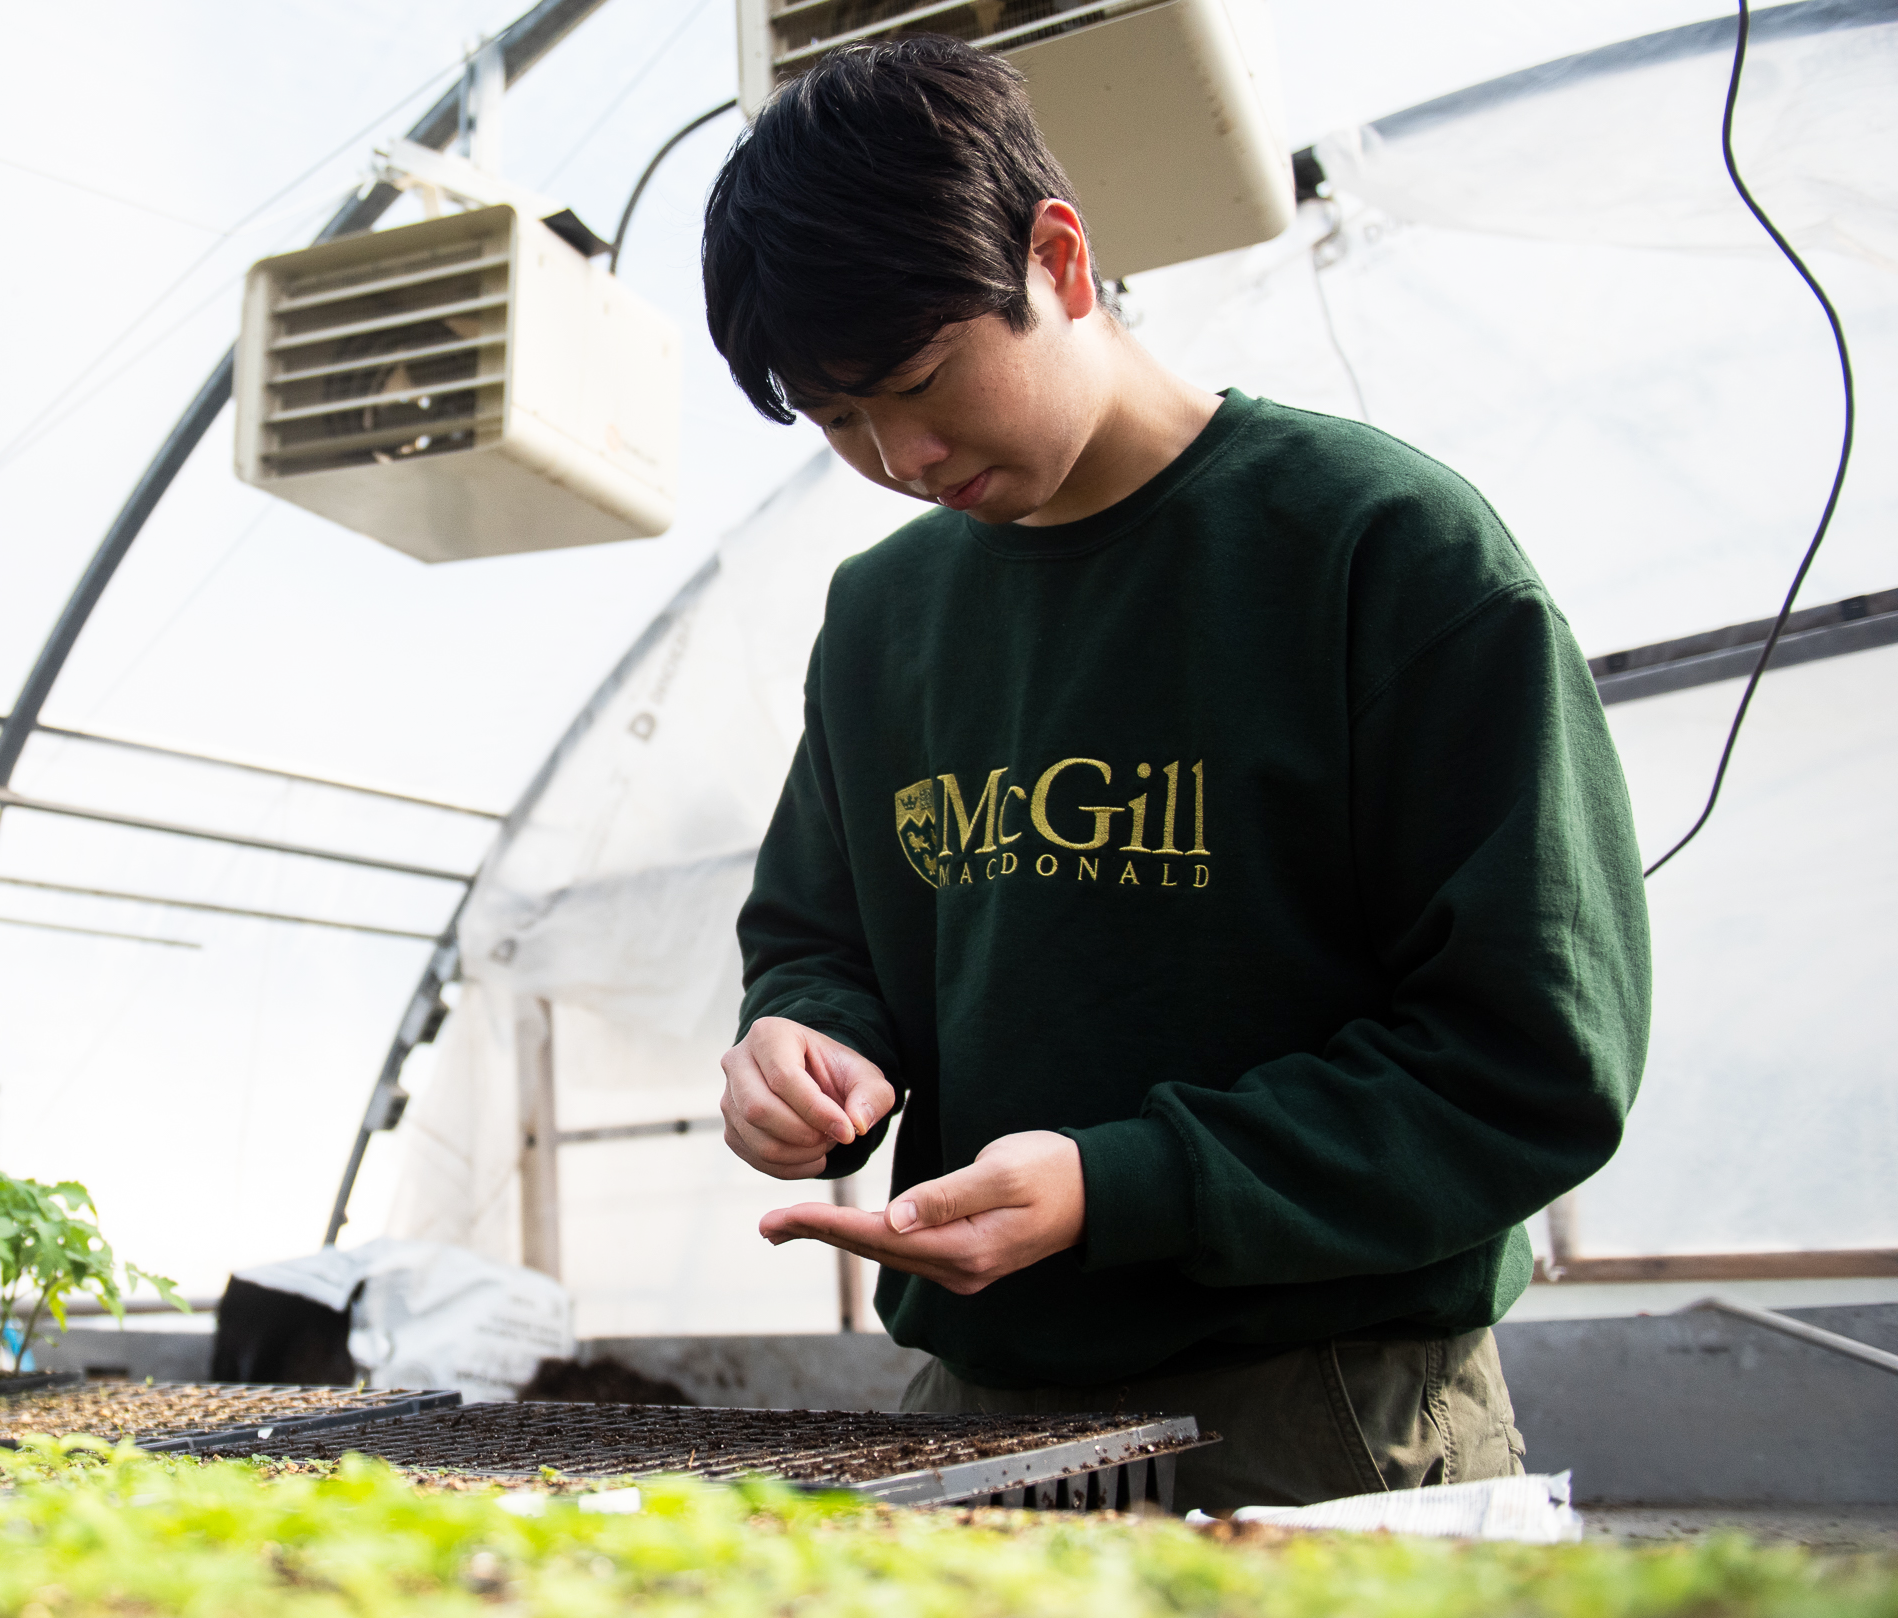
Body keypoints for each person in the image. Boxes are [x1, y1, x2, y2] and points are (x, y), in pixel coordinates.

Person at [701, 37, 1651, 1512]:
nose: (900, 453)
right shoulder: (885, 617)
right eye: (837, 423)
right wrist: (801, 1039)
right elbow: (824, 939)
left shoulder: (1376, 550)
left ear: (1060, 260)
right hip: (975, 1407)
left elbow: (1531, 1057)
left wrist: (1120, 1182)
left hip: (1326, 1406)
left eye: (921, 380)